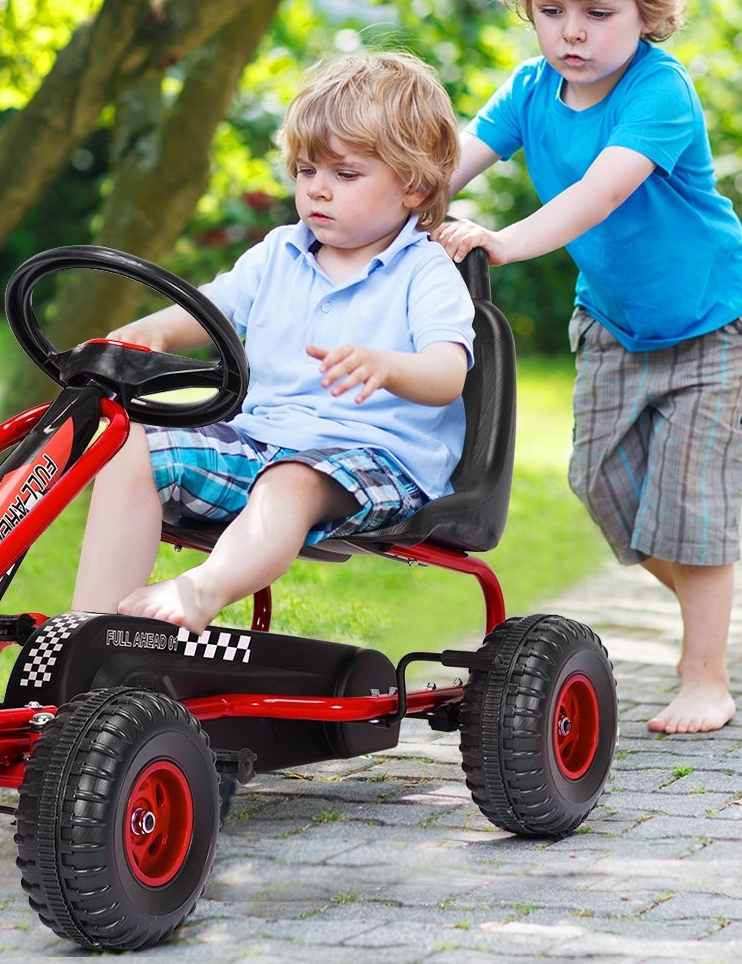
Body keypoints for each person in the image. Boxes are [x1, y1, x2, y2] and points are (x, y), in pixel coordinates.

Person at [433, 0, 742, 735]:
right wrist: (379, 211)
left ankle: (706, 675)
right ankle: (711, 604)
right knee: (602, 487)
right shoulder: (531, 90)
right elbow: (448, 167)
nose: (571, 32)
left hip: (710, 326)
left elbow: (597, 193)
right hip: (615, 323)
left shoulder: (660, 92)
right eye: (552, 10)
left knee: (688, 512)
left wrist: (501, 241)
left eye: (598, 11)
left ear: (647, 12)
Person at [72, 51, 476, 634]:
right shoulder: (278, 253)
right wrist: (155, 330)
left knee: (291, 480)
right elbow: (210, 308)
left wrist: (386, 366)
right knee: (127, 448)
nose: (318, 192)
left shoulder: (425, 272)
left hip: (374, 459)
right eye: (307, 172)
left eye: (345, 175)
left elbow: (446, 376)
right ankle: (90, 628)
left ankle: (201, 591)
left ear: (413, 186)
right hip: (260, 440)